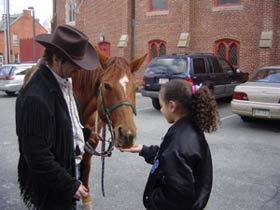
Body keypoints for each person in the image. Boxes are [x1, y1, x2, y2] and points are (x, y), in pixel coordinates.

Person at [16, 24, 100, 210]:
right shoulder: (36, 98)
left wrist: (85, 133)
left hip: (68, 168)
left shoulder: (61, 81)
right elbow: (37, 156)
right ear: (56, 59)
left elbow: (62, 123)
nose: (79, 69)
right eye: (74, 64)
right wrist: (69, 185)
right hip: (53, 183)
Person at [121, 79, 219, 210]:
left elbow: (177, 197)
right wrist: (143, 150)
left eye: (161, 106)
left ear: (172, 106)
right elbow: (169, 157)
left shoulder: (177, 146)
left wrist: (153, 198)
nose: (161, 110)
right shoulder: (190, 127)